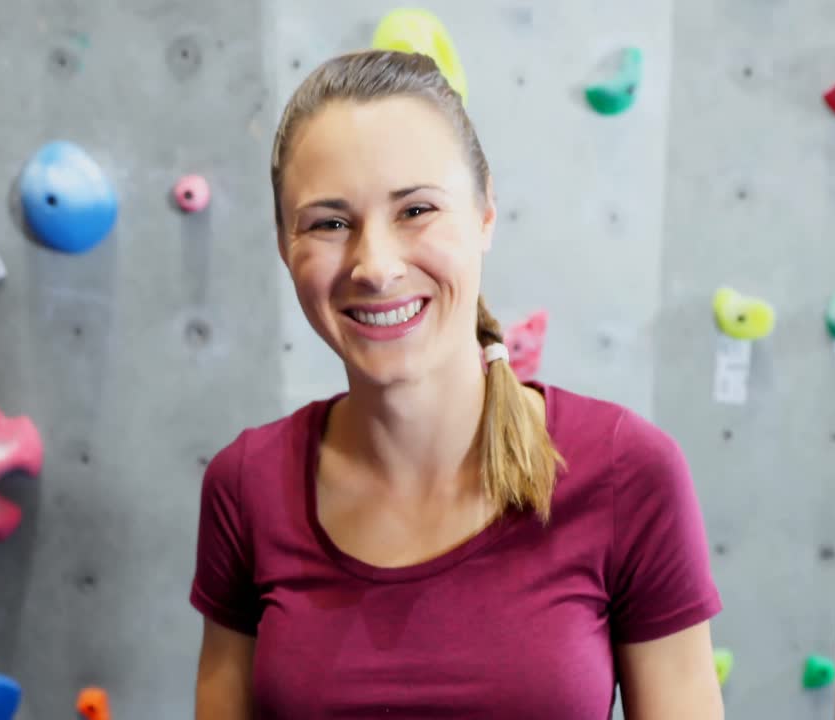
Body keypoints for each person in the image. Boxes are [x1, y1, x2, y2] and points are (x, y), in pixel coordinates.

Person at [190, 49, 724, 719]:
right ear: (281, 242)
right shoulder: (247, 486)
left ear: (485, 215)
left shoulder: (628, 474)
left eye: (415, 210)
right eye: (329, 223)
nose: (375, 266)